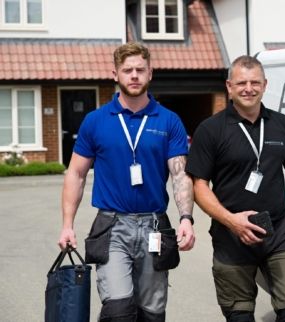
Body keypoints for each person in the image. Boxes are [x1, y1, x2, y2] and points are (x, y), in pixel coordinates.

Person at [57, 42, 195, 322]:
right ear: (115, 74)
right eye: (127, 70)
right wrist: (67, 225)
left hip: (155, 226)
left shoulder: (169, 121)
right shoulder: (95, 121)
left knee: (152, 314)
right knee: (118, 311)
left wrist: (186, 218)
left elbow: (180, 174)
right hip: (112, 226)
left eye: (140, 70)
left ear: (150, 73)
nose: (134, 75)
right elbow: (76, 174)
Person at [186, 55, 285, 322]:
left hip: (278, 231)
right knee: (239, 317)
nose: (249, 88)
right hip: (230, 235)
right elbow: (199, 186)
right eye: (241, 82)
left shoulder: (282, 125)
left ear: (265, 85)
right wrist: (231, 221)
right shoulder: (211, 130)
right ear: (229, 86)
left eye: (255, 82)